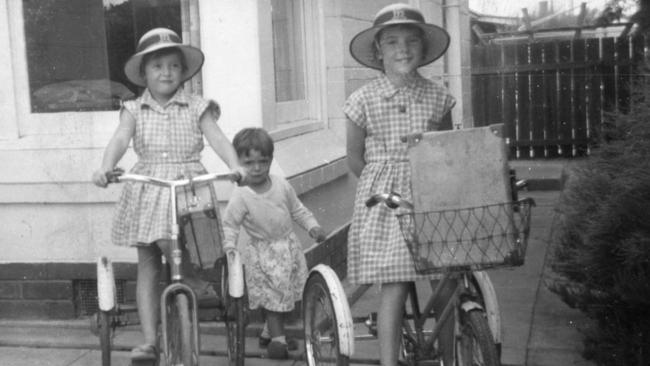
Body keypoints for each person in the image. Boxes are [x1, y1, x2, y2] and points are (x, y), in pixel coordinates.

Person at [91, 28, 245, 361]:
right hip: (149, 187)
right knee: (148, 264)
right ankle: (149, 340)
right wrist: (106, 166)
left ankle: (189, 280)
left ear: (183, 72)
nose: (166, 72)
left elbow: (217, 139)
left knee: (186, 251)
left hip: (189, 186)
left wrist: (235, 165)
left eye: (173, 66)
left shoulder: (197, 106)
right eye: (157, 66)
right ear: (143, 73)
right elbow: (119, 140)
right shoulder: (133, 109)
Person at [344, 4, 456, 365]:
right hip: (384, 201)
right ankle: (388, 361)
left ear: (423, 48)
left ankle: (453, 355)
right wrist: (383, 188)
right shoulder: (363, 100)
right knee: (394, 280)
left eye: (411, 41)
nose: (402, 49)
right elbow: (354, 159)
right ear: (378, 51)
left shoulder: (438, 96)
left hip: (429, 192)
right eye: (391, 42)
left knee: (446, 278)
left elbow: (444, 147)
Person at [222, 127, 326, 359]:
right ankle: (278, 341)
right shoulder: (242, 194)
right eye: (249, 163)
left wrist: (312, 226)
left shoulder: (280, 185)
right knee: (272, 297)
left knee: (285, 295)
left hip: (287, 248)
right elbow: (230, 223)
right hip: (262, 252)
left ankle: (269, 332)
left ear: (271, 160)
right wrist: (230, 247)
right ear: (238, 163)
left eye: (263, 161)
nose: (257, 168)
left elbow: (297, 209)